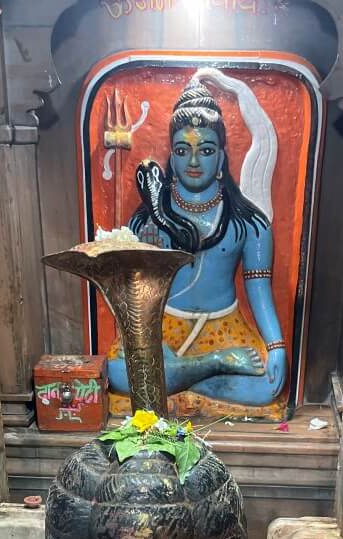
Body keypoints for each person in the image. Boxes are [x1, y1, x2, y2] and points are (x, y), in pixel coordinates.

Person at [106, 74, 287, 411]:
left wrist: (276, 347)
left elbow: (259, 291)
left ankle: (174, 380)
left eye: (205, 150)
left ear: (221, 158)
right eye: (182, 150)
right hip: (162, 328)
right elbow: (132, 295)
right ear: (171, 158)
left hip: (224, 327)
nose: (193, 162)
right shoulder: (148, 219)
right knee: (116, 373)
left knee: (267, 388)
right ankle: (211, 366)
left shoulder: (249, 223)